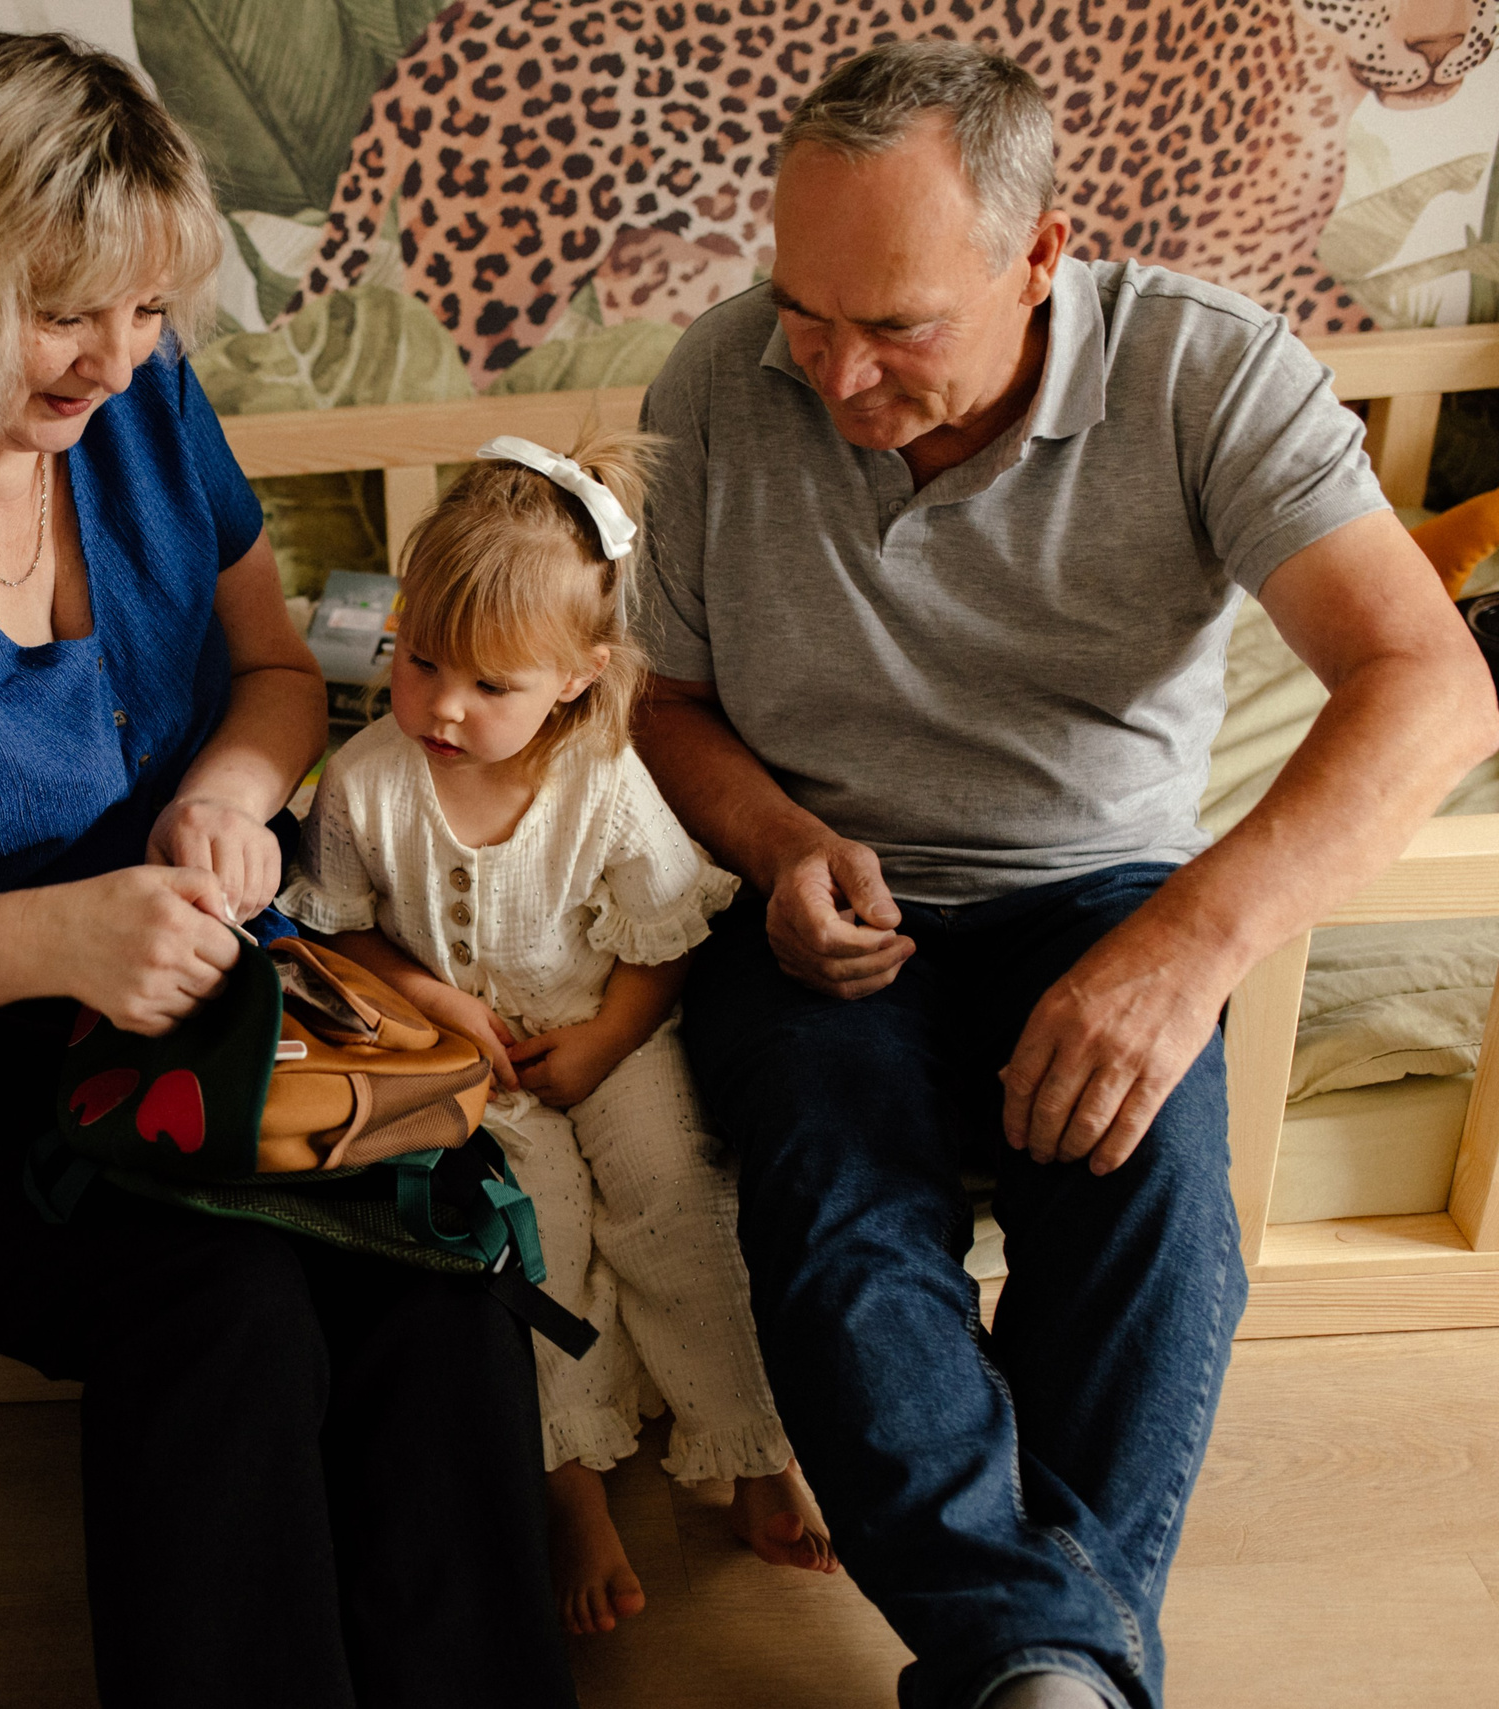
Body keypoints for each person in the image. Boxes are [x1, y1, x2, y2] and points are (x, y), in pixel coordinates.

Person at [0, 33, 579, 1709]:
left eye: (146, 307)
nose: (119, 355)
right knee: (225, 1300)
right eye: (67, 311)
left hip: (188, 981)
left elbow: (276, 670)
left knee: (428, 1254)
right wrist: (58, 938)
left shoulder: (139, 404)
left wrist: (226, 798)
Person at [636, 39, 1499, 1709]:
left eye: (897, 326)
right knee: (836, 1206)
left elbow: (1435, 687)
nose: (835, 374)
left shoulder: (1206, 373)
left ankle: (1027, 1666)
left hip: (1102, 891)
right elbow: (665, 707)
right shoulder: (718, 383)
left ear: (1039, 259)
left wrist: (1192, 944)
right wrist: (778, 842)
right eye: (804, 311)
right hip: (826, 909)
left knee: (1158, 1212)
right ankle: (1059, 1670)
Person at [283, 426, 834, 1639]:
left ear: (578, 677)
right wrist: (432, 999)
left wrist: (606, 1039)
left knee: (675, 1206)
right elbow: (337, 931)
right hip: (474, 1068)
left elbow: (668, 936)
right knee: (537, 1251)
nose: (441, 705)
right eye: (421, 661)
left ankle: (748, 1446)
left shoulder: (606, 781)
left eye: (491, 686)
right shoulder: (366, 781)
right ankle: (571, 1479)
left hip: (613, 1033)